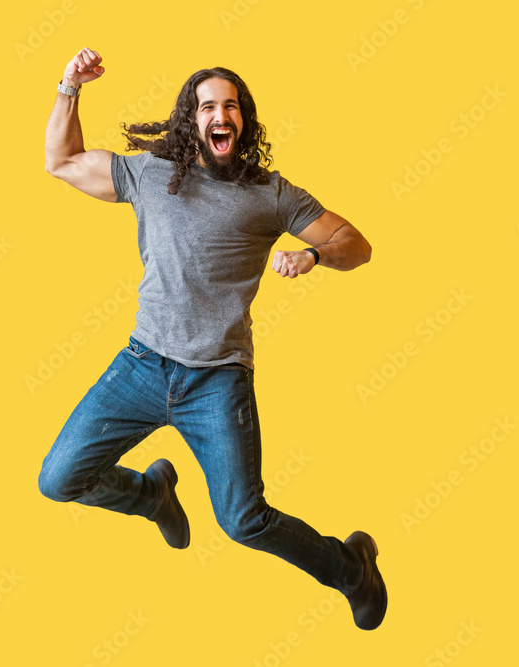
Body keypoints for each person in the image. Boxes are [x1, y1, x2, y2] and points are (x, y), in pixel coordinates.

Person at [39, 47, 387, 631]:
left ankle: (352, 568)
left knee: (243, 519)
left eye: (230, 106)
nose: (218, 115)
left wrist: (313, 254)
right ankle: (151, 496)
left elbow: (357, 243)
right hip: (143, 366)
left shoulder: (270, 194)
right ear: (190, 120)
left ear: (243, 121)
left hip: (217, 381)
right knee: (59, 479)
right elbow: (62, 160)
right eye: (206, 106)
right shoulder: (148, 175)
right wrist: (69, 87)